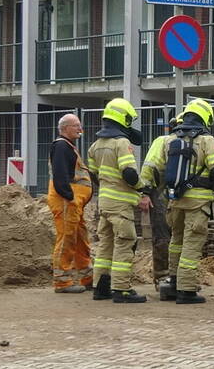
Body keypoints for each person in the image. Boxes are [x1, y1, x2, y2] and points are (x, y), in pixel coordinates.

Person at [146, 98, 214, 304]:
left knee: (176, 242)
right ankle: (187, 290)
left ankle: (174, 283)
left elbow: (155, 169)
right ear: (206, 118)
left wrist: (148, 193)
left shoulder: (169, 140)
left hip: (175, 201)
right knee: (192, 245)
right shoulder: (206, 141)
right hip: (198, 204)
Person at [87, 98, 149, 304]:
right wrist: (142, 187)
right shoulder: (122, 143)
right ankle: (121, 289)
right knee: (125, 242)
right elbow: (129, 173)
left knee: (105, 244)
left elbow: (94, 175)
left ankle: (100, 287)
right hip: (121, 205)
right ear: (124, 119)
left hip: (104, 203)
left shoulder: (95, 146)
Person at [47, 113, 93, 293]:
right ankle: (62, 282)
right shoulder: (61, 146)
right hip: (67, 201)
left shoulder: (68, 147)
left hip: (74, 203)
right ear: (65, 128)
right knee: (66, 238)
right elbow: (60, 174)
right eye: (76, 125)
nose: (80, 129)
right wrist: (69, 196)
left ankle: (87, 277)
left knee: (80, 238)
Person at [140, 113, 178, 300]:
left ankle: (173, 277)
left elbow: (149, 166)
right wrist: (145, 193)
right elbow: (150, 167)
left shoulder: (167, 142)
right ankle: (164, 276)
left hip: (171, 195)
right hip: (163, 194)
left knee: (172, 237)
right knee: (164, 236)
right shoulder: (163, 142)